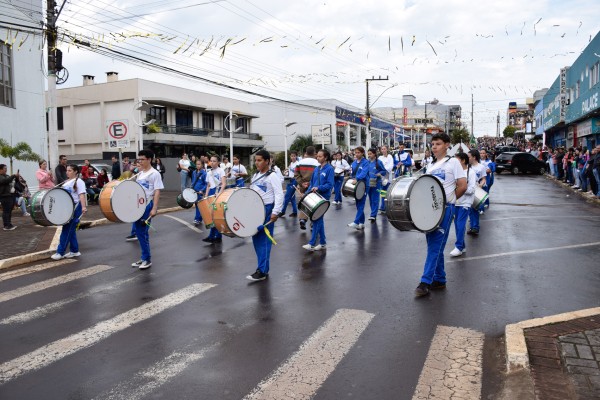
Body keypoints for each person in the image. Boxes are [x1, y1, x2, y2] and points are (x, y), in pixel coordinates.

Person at [415, 133, 466, 297]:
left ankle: (425, 282)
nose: (434, 147)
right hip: (431, 210)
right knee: (434, 245)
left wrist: (449, 201)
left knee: (435, 244)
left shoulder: (453, 163)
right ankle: (440, 279)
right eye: (433, 144)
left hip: (445, 209)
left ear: (447, 145)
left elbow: (463, 185)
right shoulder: (431, 165)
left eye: (438, 144)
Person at [246, 149, 284, 282]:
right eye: (255, 160)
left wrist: (275, 211)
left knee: (265, 240)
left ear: (267, 161)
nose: (256, 163)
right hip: (255, 209)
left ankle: (262, 270)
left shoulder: (272, 176)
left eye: (259, 160)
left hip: (267, 209)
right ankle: (261, 268)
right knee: (256, 239)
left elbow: (279, 194)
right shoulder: (256, 175)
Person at [130, 149, 163, 269]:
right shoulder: (140, 173)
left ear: (149, 159)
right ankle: (144, 257)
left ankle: (147, 259)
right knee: (140, 233)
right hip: (138, 205)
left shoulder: (155, 174)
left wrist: (154, 208)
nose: (140, 162)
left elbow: (157, 191)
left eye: (142, 159)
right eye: (139, 159)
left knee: (142, 232)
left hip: (147, 204)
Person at [51, 164, 87, 259]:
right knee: (70, 230)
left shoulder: (79, 182)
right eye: (67, 170)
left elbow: (81, 195)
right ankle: (74, 251)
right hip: (67, 208)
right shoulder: (67, 182)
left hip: (75, 207)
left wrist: (83, 207)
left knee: (66, 230)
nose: (67, 172)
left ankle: (60, 252)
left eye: (70, 170)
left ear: (75, 171)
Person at [302, 149, 334, 251]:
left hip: (324, 197)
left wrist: (319, 188)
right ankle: (323, 242)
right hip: (314, 196)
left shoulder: (330, 169)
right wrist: (307, 193)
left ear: (325, 157)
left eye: (320, 156)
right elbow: (312, 183)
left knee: (317, 219)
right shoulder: (316, 169)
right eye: (317, 156)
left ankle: (312, 243)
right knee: (318, 219)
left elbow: (330, 184)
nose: (318, 158)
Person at [450, 152, 476, 257]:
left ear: (463, 160)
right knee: (457, 225)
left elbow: (471, 189)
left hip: (465, 203)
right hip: (455, 201)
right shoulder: (454, 173)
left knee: (460, 224)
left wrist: (461, 187)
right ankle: (463, 246)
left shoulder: (471, 173)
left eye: (456, 160)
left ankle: (459, 247)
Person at [294, 146, 319, 230]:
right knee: (314, 204)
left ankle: (302, 219)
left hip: (302, 186)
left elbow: (296, 175)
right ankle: (313, 222)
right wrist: (310, 183)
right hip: (313, 186)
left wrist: (302, 183)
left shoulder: (299, 162)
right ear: (314, 152)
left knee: (304, 203)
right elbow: (318, 176)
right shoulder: (317, 163)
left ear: (306, 152)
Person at [203, 155, 227, 243]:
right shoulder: (209, 172)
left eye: (214, 161)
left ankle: (217, 236)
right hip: (211, 193)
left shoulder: (221, 171)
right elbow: (208, 185)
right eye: (211, 161)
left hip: (218, 193)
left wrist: (219, 194)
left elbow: (224, 184)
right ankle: (212, 236)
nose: (212, 162)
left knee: (217, 215)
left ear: (218, 162)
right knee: (211, 216)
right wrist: (206, 195)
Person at [347, 147, 369, 230]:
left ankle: (356, 222)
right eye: (355, 152)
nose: (357, 154)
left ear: (362, 153)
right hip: (356, 185)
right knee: (358, 204)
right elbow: (352, 173)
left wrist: (357, 178)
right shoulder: (353, 163)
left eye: (358, 152)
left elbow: (364, 173)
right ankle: (361, 222)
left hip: (364, 185)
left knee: (361, 204)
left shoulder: (366, 162)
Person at [467, 149, 487, 235]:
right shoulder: (467, 166)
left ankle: (475, 227)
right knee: (470, 210)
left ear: (474, 157)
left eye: (469, 157)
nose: (467, 158)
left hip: (476, 190)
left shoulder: (481, 167)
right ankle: (472, 227)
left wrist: (480, 185)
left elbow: (483, 179)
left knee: (474, 209)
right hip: (468, 190)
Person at [366, 148, 387, 222]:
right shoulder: (367, 162)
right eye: (368, 154)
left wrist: (379, 173)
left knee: (375, 199)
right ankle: (373, 213)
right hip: (368, 183)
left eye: (370, 154)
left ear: (374, 154)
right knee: (371, 199)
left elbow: (384, 171)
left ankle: (373, 215)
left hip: (376, 182)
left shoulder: (378, 162)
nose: (369, 155)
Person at [280, 151, 300, 216]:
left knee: (287, 196)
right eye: (292, 156)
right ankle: (295, 212)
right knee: (292, 197)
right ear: (290, 157)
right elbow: (289, 172)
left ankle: (283, 211)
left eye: (294, 156)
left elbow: (298, 173)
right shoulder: (291, 163)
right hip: (289, 180)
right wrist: (286, 173)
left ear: (296, 156)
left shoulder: (298, 163)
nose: (293, 157)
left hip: (294, 180)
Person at [0, 164, 19, 230]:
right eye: (4, 168)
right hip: (4, 196)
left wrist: (16, 177)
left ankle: (9, 224)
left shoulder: (7, 176)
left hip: (10, 195)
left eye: (6, 168)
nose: (6, 169)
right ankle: (6, 225)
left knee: (9, 211)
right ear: (0, 169)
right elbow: (5, 181)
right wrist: (13, 175)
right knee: (6, 211)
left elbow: (12, 181)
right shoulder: (1, 177)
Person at [378, 145, 394, 213]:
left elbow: (390, 166)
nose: (383, 150)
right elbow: (378, 166)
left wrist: (383, 170)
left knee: (386, 192)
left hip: (387, 177)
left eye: (384, 149)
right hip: (381, 177)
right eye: (382, 149)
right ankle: (383, 207)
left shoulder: (390, 157)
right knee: (382, 192)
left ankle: (385, 207)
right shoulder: (380, 158)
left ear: (387, 149)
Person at [191, 159, 207, 226]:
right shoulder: (194, 172)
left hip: (200, 192)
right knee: (197, 205)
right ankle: (199, 219)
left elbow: (206, 183)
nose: (197, 165)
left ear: (202, 165)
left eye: (199, 164)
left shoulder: (204, 173)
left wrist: (202, 190)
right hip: (195, 192)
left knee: (199, 206)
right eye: (197, 164)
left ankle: (197, 219)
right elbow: (193, 181)